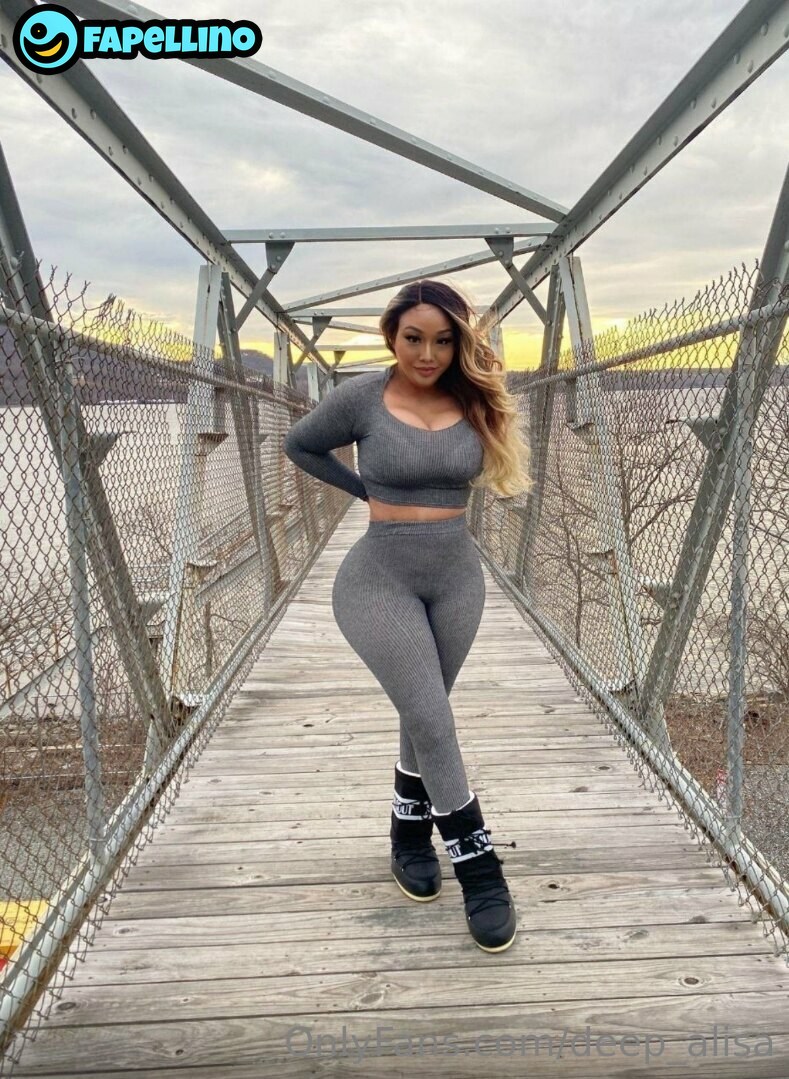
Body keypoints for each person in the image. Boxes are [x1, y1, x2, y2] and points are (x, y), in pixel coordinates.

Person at [283, 278, 533, 952]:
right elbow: (299, 444)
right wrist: (361, 489)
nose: (427, 354)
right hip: (378, 579)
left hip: (456, 578)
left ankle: (407, 833)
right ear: (391, 336)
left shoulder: (470, 397)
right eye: (413, 338)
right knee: (431, 716)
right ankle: (480, 869)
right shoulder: (362, 397)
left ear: (458, 343)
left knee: (423, 710)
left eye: (443, 340)